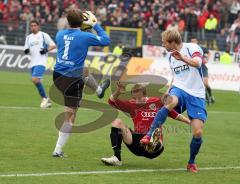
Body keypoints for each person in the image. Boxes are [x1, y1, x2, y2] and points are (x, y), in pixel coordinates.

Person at [140, 29, 207, 173]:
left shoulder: (192, 48)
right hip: (179, 88)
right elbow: (176, 76)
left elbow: (198, 63)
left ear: (172, 42)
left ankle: (191, 163)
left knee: (198, 133)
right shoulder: (170, 56)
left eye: (164, 42)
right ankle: (149, 134)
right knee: (170, 102)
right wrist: (168, 90)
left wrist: (182, 58)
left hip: (197, 94)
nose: (163, 45)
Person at [52, 9, 110, 157]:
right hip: (72, 81)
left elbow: (71, 41)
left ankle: (98, 90)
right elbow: (106, 40)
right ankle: (57, 150)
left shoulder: (59, 34)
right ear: (82, 22)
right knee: (70, 117)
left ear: (68, 21)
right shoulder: (85, 36)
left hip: (57, 76)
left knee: (84, 69)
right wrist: (95, 25)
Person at [101, 82, 190, 166]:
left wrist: (190, 122)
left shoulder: (157, 102)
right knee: (117, 122)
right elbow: (111, 102)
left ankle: (153, 144)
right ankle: (117, 158)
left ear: (145, 95)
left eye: (139, 98)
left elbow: (174, 114)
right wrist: (118, 92)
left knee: (156, 135)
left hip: (154, 144)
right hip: (138, 144)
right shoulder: (131, 104)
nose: (137, 101)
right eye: (135, 98)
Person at [24, 20, 56, 108]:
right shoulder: (28, 37)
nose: (33, 27)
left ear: (38, 26)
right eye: (31, 26)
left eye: (35, 25)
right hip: (32, 62)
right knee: (36, 81)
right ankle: (47, 101)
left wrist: (46, 50)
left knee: (34, 79)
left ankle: (45, 98)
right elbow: (26, 49)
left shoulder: (43, 35)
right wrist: (26, 51)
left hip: (41, 61)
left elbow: (53, 45)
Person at [191, 37, 215, 105]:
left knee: (206, 83)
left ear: (196, 42)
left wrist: (207, 59)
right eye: (192, 41)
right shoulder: (190, 49)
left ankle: (210, 96)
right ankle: (207, 99)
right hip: (196, 68)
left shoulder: (200, 48)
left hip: (203, 67)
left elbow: (209, 52)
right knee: (201, 84)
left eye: (194, 41)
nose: (193, 43)